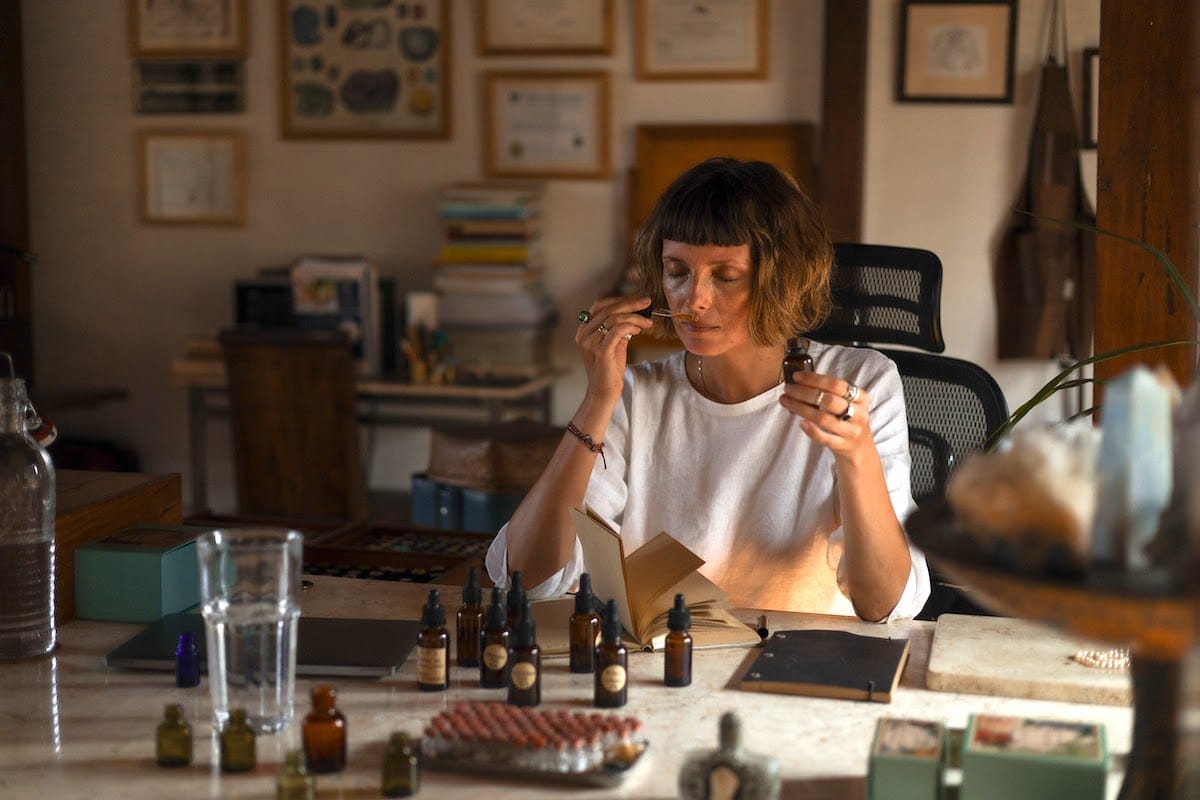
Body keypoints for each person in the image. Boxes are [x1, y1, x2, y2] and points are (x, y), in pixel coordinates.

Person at [485, 157, 930, 621]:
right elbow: (526, 577)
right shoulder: (633, 395)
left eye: (725, 276)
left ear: (782, 279)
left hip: (798, 667)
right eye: (677, 271)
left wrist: (856, 454)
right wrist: (597, 401)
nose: (693, 298)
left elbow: (882, 603)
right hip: (665, 665)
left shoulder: (860, 382)